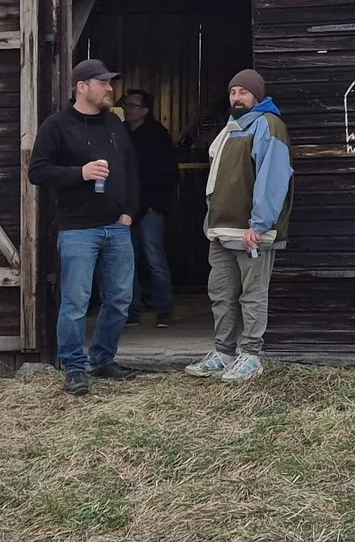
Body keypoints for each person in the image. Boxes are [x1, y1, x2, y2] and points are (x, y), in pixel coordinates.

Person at [28, 57, 139, 395]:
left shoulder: (114, 124)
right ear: (82, 87)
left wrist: (130, 211)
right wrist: (81, 173)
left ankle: (103, 359)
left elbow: (131, 168)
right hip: (77, 229)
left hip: (117, 226)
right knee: (76, 303)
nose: (109, 89)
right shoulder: (56, 126)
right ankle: (74, 368)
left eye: (109, 82)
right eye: (103, 83)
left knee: (120, 299)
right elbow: (37, 171)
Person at [186, 68, 293, 385]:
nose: (236, 97)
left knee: (252, 295)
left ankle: (251, 356)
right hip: (221, 231)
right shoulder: (231, 128)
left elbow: (272, 178)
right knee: (222, 295)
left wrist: (258, 225)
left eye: (243, 92)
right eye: (233, 92)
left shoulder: (269, 125)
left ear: (257, 96)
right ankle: (223, 353)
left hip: (250, 233)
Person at [120, 88, 180, 325]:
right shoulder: (120, 133)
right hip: (126, 208)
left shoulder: (157, 136)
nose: (127, 109)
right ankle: (131, 311)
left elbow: (169, 173)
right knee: (128, 261)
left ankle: (164, 310)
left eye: (132, 105)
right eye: (125, 105)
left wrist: (157, 204)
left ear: (145, 110)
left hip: (150, 209)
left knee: (155, 261)